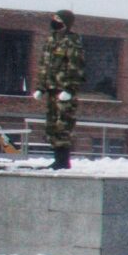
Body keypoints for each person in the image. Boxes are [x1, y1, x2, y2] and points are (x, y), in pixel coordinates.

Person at [38, 10, 85, 170]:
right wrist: (41, 87)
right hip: (51, 89)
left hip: (64, 91)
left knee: (63, 124)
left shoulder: (72, 41)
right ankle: (57, 158)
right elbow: (44, 66)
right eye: (54, 18)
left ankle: (63, 160)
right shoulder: (51, 40)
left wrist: (70, 89)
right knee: (51, 125)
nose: (54, 20)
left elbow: (76, 66)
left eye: (58, 18)